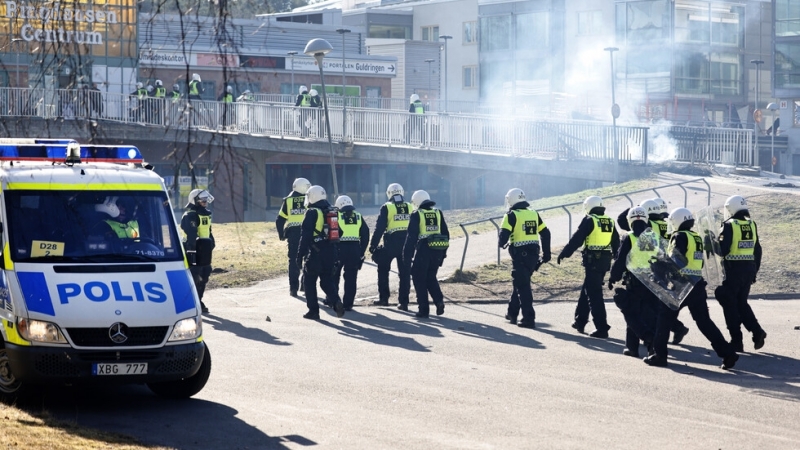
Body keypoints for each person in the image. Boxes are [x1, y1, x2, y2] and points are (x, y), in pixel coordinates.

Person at [644, 208, 738, 369]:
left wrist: (658, 265)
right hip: (697, 284)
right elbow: (698, 263)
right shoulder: (696, 237)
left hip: (680, 285)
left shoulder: (679, 236)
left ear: (677, 221)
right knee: (704, 322)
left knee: (664, 320)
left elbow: (676, 259)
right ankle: (728, 353)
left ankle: (659, 356)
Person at [616, 198, 690, 345]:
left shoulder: (649, 225)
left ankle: (651, 340)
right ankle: (672, 330)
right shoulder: (668, 224)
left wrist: (635, 209)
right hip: (665, 266)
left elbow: (621, 221)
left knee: (642, 307)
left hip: (647, 269)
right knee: (654, 306)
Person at [557, 195, 619, 338]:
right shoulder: (610, 221)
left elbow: (577, 239)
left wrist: (565, 253)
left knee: (594, 294)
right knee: (588, 289)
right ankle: (580, 321)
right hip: (604, 261)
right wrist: (618, 261)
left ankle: (602, 327)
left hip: (593, 261)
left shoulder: (590, 219)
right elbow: (616, 244)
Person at [715, 195, 766, 352]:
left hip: (734, 271)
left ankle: (736, 340)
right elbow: (757, 249)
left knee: (729, 303)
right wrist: (754, 271)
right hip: (749, 269)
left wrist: (713, 243)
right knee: (741, 303)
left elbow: (724, 250)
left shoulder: (729, 225)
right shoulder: (751, 224)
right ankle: (757, 331)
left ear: (730, 209)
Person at [608, 207, 658, 357]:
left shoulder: (629, 237)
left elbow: (620, 259)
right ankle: (648, 348)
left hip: (634, 281)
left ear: (630, 221)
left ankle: (635, 346)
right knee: (649, 316)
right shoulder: (653, 236)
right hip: (651, 280)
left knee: (631, 312)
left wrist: (613, 277)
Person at [498, 188, 551, 328]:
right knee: (521, 283)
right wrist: (547, 254)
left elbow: (503, 237)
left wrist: (501, 242)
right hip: (533, 255)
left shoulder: (511, 215)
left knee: (523, 286)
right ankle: (512, 313)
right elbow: (546, 233)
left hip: (520, 255)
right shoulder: (533, 213)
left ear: (511, 200)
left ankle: (528, 318)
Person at [296, 185, 345, 320]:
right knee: (326, 281)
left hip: (315, 253)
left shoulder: (312, 212)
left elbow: (305, 236)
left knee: (309, 281)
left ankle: (313, 311)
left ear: (312, 196)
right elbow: (339, 232)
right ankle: (336, 302)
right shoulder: (331, 211)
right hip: (331, 251)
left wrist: (300, 255)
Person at [403, 190, 449, 318]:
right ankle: (439, 301)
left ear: (416, 202)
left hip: (424, 250)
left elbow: (411, 238)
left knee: (419, 278)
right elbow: (446, 233)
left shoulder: (417, 214)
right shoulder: (438, 213)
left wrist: (407, 256)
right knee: (431, 277)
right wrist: (443, 254)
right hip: (438, 250)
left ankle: (423, 309)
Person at [369, 183, 413, 309]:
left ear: (389, 193)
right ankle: (404, 302)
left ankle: (384, 298)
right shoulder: (411, 206)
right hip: (407, 243)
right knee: (405, 273)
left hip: (391, 243)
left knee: (383, 269)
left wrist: (373, 246)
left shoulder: (387, 207)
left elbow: (379, 229)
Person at [181, 189, 215, 314]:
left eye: (206, 200)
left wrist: (211, 242)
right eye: (202, 200)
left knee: (205, 274)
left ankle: (198, 300)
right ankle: (194, 302)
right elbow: (191, 235)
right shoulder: (191, 215)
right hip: (193, 250)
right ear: (195, 200)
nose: (205, 202)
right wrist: (192, 253)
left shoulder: (206, 214)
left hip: (204, 249)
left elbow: (208, 230)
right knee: (195, 276)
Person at [276, 177, 311, 297]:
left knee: (294, 261)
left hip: (293, 234)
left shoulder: (288, 200)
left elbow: (279, 220)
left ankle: (293, 288)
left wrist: (281, 235)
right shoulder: (310, 199)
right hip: (308, 232)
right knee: (308, 259)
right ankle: (305, 285)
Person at [335, 195, 370, 311]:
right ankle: (348, 303)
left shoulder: (337, 215)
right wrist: (361, 251)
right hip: (354, 248)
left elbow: (334, 233)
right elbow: (365, 234)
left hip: (340, 248)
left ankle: (333, 300)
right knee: (351, 278)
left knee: (334, 275)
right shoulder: (358, 216)